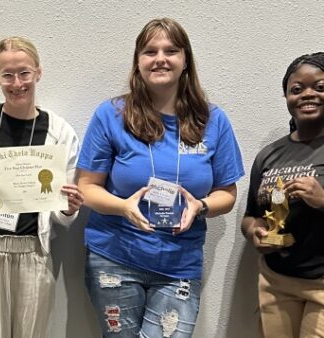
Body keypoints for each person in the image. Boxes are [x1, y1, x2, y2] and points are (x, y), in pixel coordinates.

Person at [77, 18, 244, 337]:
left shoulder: (213, 120)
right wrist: (124, 207)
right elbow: (87, 188)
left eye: (171, 50)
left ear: (185, 61)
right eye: (149, 51)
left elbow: (228, 193)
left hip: (179, 264)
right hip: (114, 257)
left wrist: (201, 207)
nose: (160, 58)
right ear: (138, 62)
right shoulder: (111, 115)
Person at [0, 36, 83, 338]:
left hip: (33, 251)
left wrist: (69, 208)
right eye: (7, 75)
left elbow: (59, 210)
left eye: (24, 73)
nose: (17, 83)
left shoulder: (60, 133)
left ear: (38, 72)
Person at [242, 52, 324, 338]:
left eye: (320, 87)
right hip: (275, 281)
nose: (308, 94)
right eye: (297, 89)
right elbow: (250, 216)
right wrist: (255, 231)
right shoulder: (269, 154)